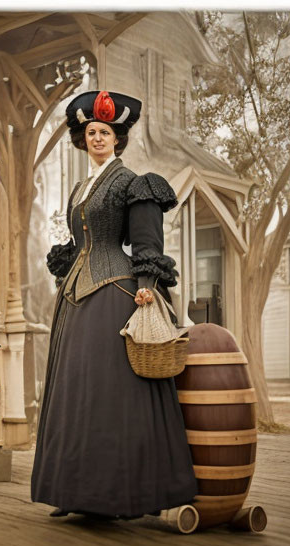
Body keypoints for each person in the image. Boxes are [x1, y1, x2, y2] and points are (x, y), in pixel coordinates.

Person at [30, 90, 197, 519]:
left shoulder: (132, 182)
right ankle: (74, 491)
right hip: (76, 294)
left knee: (107, 393)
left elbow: (145, 238)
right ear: (83, 139)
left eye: (105, 131)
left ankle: (116, 494)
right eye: (92, 132)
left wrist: (146, 284)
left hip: (116, 291)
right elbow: (80, 241)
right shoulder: (81, 187)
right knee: (75, 391)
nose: (99, 137)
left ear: (117, 138)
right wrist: (66, 263)